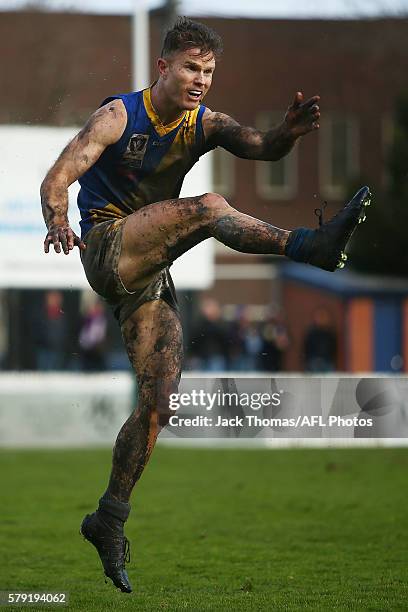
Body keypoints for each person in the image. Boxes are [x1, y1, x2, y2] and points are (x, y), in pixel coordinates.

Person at [40, 17, 371, 593]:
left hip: (144, 277)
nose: (201, 80)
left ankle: (109, 520)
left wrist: (288, 134)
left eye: (209, 71)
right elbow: (59, 175)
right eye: (191, 68)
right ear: (164, 67)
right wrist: (58, 218)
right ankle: (308, 246)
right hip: (106, 248)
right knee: (209, 206)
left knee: (159, 403)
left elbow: (262, 148)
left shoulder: (206, 123)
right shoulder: (120, 115)